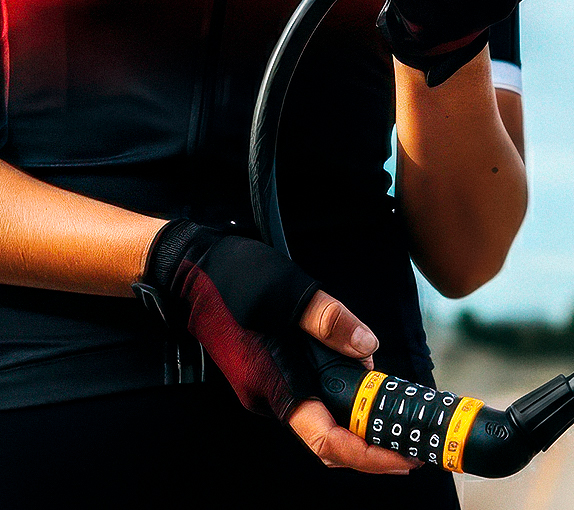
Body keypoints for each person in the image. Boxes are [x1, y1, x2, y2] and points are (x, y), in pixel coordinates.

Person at [0, 0, 526, 508]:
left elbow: (468, 255)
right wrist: (179, 263)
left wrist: (442, 44)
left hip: (355, 416)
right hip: (58, 411)